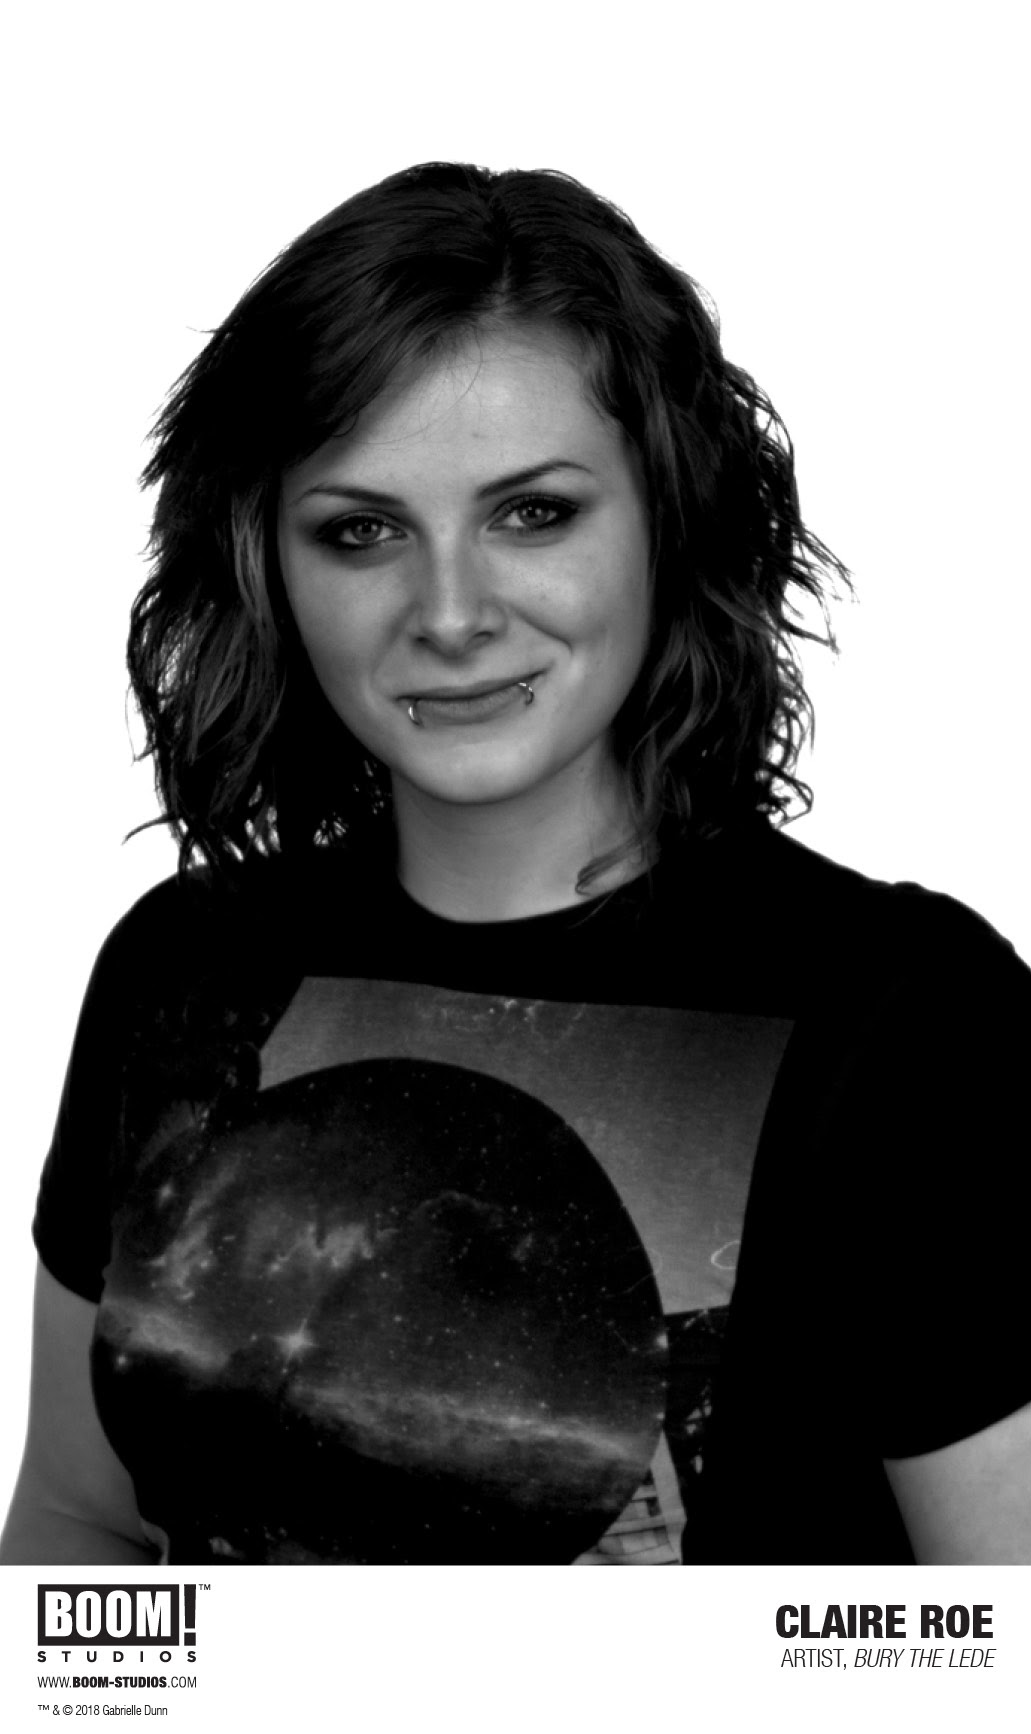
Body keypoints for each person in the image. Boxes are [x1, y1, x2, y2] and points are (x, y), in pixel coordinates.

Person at [2, 161, 1029, 1567]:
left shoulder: (911, 1019)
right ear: (266, 564)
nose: (450, 612)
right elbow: (76, 1530)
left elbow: (999, 1645)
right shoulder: (179, 966)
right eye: (361, 530)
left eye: (533, 512)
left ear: (670, 515)